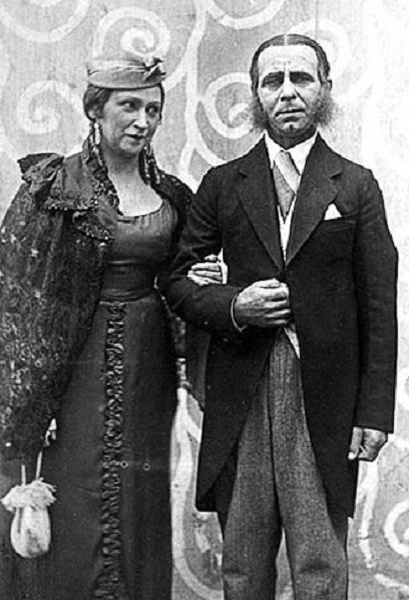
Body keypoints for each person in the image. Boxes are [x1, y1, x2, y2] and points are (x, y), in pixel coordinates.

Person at [166, 33, 398, 599]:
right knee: (243, 561)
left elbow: (379, 306)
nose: (288, 92)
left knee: (319, 560)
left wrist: (374, 413)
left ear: (325, 89)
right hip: (240, 388)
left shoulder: (356, 185)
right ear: (256, 95)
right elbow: (178, 282)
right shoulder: (223, 184)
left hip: (324, 397)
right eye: (273, 81)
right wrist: (234, 305)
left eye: (301, 78)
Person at [0, 53, 221, 600]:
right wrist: (33, 397)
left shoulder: (173, 195)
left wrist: (199, 276)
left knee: (140, 494)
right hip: (73, 367)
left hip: (149, 365)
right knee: (76, 494)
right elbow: (18, 294)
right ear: (95, 110)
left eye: (153, 109)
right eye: (129, 106)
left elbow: (178, 278)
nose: (143, 121)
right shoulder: (55, 187)